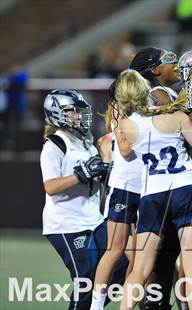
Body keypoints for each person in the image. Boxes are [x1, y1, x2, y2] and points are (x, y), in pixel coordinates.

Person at [111, 69, 192, 310]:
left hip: (152, 194)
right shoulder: (174, 115)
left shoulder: (126, 124)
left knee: (140, 269)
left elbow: (127, 153)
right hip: (186, 189)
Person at [40, 89, 127, 309]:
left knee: (123, 264)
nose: (78, 116)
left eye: (79, 111)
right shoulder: (54, 145)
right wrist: (81, 174)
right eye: (72, 111)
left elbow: (98, 181)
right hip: (66, 223)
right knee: (86, 279)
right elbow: (51, 187)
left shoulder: (85, 142)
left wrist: (105, 167)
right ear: (57, 113)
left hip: (93, 218)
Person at [90, 88, 143, 309]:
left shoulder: (137, 117)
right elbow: (123, 149)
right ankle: (96, 305)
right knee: (116, 251)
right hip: (122, 190)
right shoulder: (114, 130)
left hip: (145, 189)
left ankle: (130, 304)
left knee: (139, 258)